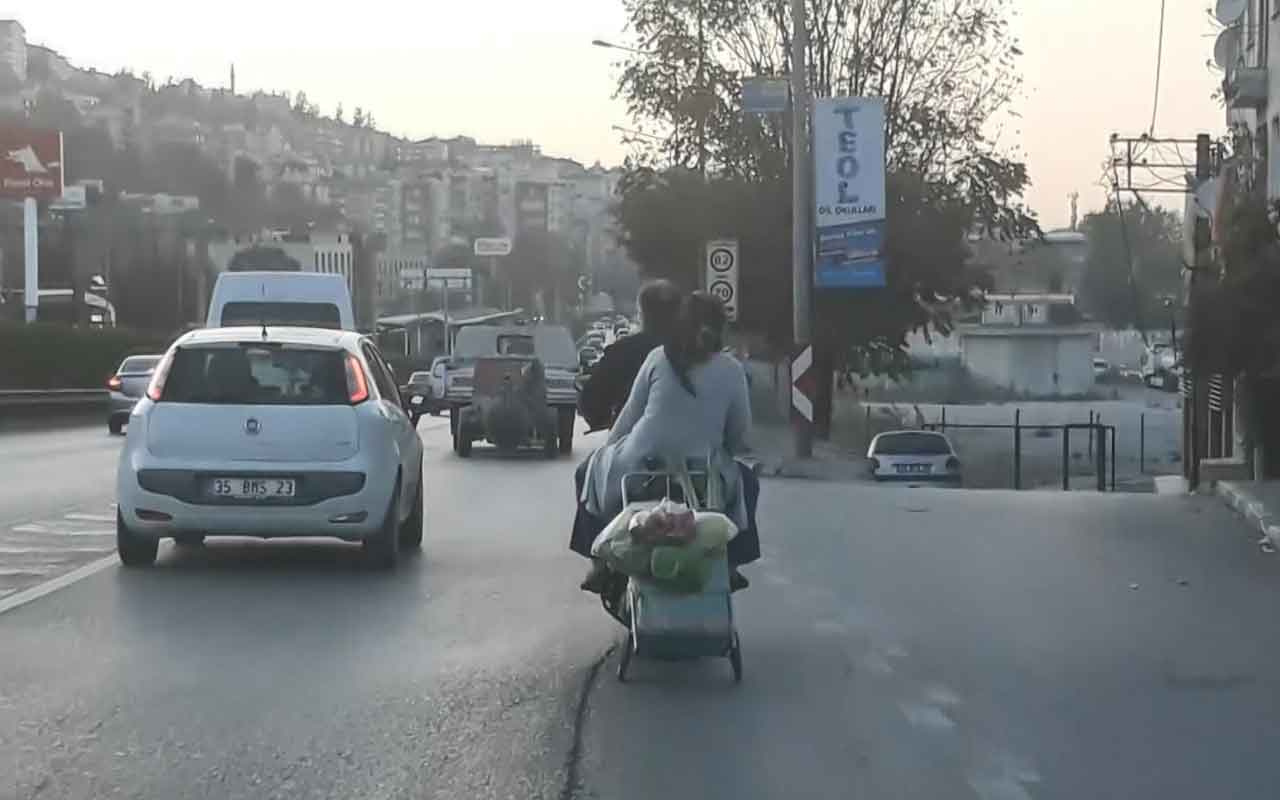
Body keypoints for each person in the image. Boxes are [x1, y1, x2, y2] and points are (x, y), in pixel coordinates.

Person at [571, 291, 761, 593]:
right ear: (721, 328)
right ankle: (731, 565)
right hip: (703, 477)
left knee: (585, 472)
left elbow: (628, 419)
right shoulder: (731, 369)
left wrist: (608, 452)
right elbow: (740, 438)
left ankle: (598, 563)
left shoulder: (658, 357)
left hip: (637, 468)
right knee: (749, 483)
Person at [577, 279, 682, 431]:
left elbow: (591, 403)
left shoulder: (622, 352)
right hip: (695, 447)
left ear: (642, 314)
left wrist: (607, 420)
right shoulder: (700, 352)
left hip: (632, 441)